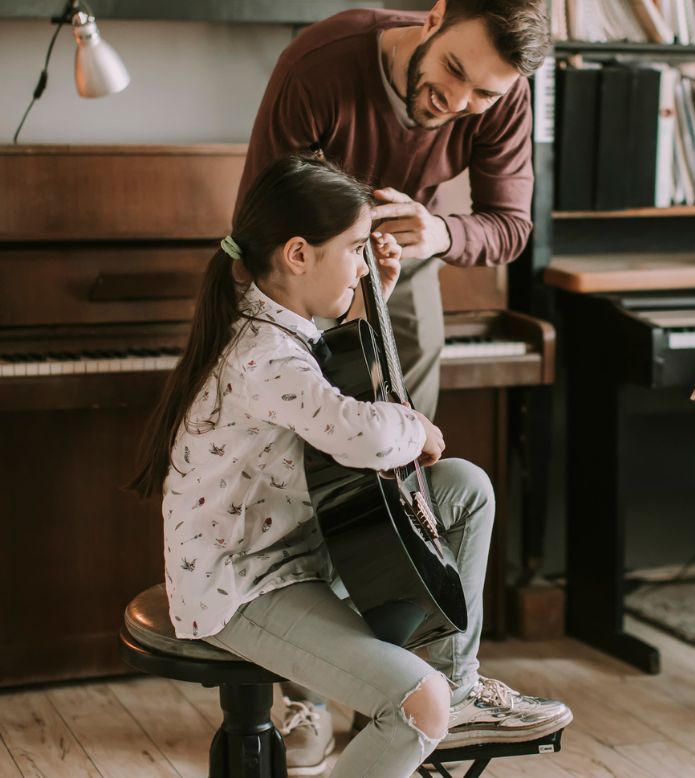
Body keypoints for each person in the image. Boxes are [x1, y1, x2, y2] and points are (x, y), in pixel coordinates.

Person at [131, 155, 571, 778]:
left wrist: (373, 302)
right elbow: (356, 434)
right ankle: (438, 704)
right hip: (244, 584)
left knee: (465, 488)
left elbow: (335, 379)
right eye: (356, 247)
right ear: (298, 255)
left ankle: (458, 685)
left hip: (298, 548)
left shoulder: (285, 325)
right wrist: (415, 425)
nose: (365, 261)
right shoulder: (264, 355)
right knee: (416, 705)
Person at [236, 1, 554, 767]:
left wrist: (442, 233)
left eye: (483, 94)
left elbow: (510, 225)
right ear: (434, 13)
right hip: (300, 263)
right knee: (301, 479)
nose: (461, 103)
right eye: (452, 72)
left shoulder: (501, 93)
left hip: (408, 261)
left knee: (391, 500)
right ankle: (303, 693)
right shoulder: (319, 65)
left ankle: (396, 700)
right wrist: (332, 294)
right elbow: (261, 217)